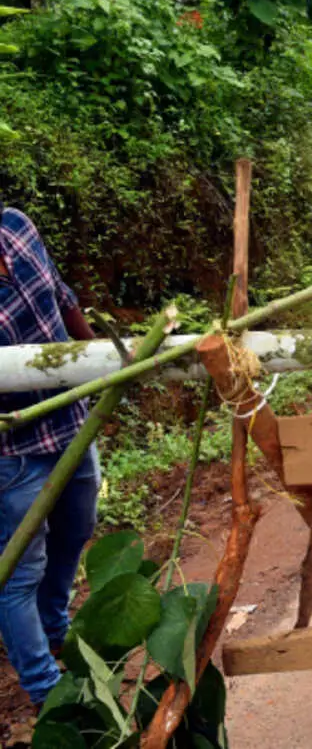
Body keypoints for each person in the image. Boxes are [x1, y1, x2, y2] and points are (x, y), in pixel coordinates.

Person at [0, 208, 98, 711]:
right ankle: (46, 691)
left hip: (70, 424)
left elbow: (63, 302)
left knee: (78, 528)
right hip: (11, 451)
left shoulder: (16, 226)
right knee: (18, 569)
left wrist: (110, 361)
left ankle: (55, 628)